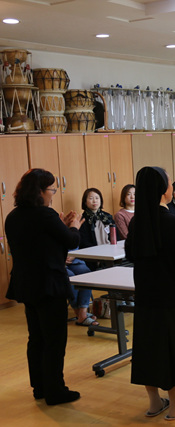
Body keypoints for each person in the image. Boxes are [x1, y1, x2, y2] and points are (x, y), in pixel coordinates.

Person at [124, 167, 175, 421]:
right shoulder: (171, 221)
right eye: (170, 183)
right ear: (163, 189)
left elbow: (130, 255)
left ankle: (154, 403)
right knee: (173, 349)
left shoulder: (137, 221)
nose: (172, 187)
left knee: (148, 347)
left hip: (146, 294)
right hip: (171, 294)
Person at [4, 168, 84, 405]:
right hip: (49, 285)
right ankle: (55, 390)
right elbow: (71, 241)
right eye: (51, 190)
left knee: (36, 337)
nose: (53, 195)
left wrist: (60, 225)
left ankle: (39, 387)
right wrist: (75, 225)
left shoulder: (13, 216)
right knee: (55, 340)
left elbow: (40, 243)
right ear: (40, 191)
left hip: (26, 284)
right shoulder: (44, 215)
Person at [79, 188, 115, 271]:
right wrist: (99, 252)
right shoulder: (82, 219)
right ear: (85, 202)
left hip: (111, 253)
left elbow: (116, 236)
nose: (94, 201)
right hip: (93, 256)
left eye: (97, 198)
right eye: (91, 198)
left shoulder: (107, 217)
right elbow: (83, 242)